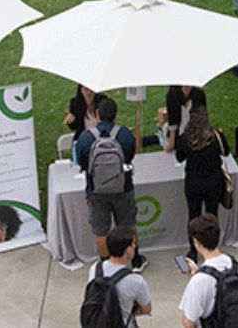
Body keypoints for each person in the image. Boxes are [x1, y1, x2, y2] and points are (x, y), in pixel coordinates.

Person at [73, 94, 139, 266]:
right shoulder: (125, 135)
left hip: (96, 191)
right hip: (123, 188)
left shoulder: (86, 138)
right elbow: (129, 158)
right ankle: (135, 260)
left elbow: (82, 163)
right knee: (128, 226)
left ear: (97, 114)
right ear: (116, 115)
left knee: (101, 231)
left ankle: (105, 265)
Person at [174, 105, 230, 262]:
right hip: (214, 182)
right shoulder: (215, 136)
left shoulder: (185, 139)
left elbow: (179, 158)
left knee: (193, 215)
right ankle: (212, 247)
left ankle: (193, 249)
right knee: (212, 215)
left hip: (194, 183)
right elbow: (226, 152)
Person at [178, 214, 238, 327]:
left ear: (196, 242)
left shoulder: (198, 281)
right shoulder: (234, 263)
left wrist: (198, 275)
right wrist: (198, 272)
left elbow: (188, 322)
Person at [90, 226, 153, 328]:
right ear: (128, 250)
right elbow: (146, 309)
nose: (134, 248)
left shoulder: (95, 269)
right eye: (133, 245)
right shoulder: (136, 281)